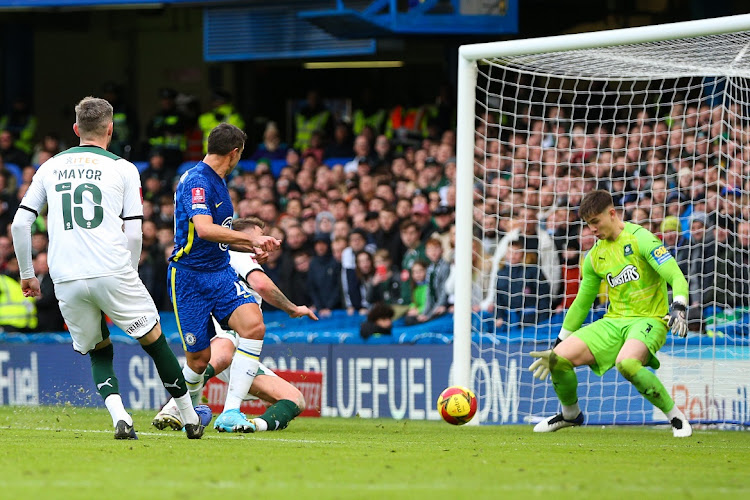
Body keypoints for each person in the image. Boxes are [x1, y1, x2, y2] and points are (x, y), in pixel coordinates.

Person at [10, 96, 204, 439]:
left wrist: (27, 273)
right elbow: (133, 231)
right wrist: (128, 271)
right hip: (113, 269)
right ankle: (189, 418)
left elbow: (20, 225)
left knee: (99, 348)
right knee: (154, 341)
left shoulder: (50, 166)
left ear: (75, 129)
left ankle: (120, 417)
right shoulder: (124, 168)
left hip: (65, 277)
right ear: (110, 130)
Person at [528, 190, 692, 438]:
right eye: (587, 224)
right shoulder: (594, 256)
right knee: (556, 359)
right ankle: (570, 414)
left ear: (612, 213)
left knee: (626, 363)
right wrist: (558, 343)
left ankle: (675, 417)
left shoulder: (642, 239)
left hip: (649, 319)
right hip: (614, 322)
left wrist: (679, 306)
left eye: (595, 222)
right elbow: (581, 304)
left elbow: (675, 275)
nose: (591, 229)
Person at [153, 217, 317, 432]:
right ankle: (175, 407)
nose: (264, 241)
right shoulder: (237, 255)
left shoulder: (221, 259)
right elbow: (262, 285)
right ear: (244, 237)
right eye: (259, 234)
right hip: (224, 342)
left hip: (240, 355)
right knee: (224, 350)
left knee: (294, 399)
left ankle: (249, 426)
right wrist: (293, 309)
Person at [168, 122, 280, 433]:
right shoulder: (197, 181)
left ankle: (230, 412)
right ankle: (180, 408)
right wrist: (252, 241)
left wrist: (254, 243)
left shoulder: (217, 181)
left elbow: (220, 237)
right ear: (233, 153)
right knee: (199, 360)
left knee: (254, 325)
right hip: (189, 278)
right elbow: (204, 229)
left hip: (218, 273)